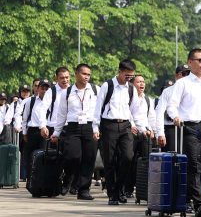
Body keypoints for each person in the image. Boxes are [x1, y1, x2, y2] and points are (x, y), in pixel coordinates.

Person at [166, 48, 201, 215]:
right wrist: (176, 117)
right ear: (190, 62)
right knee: (194, 166)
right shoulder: (183, 83)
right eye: (199, 60)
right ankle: (199, 203)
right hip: (190, 127)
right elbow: (171, 106)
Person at [93, 59, 149, 205]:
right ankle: (112, 193)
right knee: (109, 160)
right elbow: (98, 108)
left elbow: (136, 111)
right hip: (109, 125)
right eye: (127, 75)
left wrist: (142, 128)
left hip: (125, 126)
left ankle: (120, 189)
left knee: (128, 157)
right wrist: (95, 127)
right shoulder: (108, 85)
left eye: (131, 76)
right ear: (120, 71)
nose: (128, 78)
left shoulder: (131, 89)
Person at [51, 63, 98, 200]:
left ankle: (83, 190)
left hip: (90, 127)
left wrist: (97, 128)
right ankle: (69, 176)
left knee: (89, 159)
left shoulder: (95, 90)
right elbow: (61, 114)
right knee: (73, 156)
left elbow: (99, 110)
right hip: (73, 127)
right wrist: (56, 133)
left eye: (89, 74)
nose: (86, 77)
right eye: (84, 74)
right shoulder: (68, 92)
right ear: (76, 74)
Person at [123, 74, 155, 199]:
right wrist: (131, 125)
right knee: (129, 160)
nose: (142, 84)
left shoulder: (148, 99)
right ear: (132, 84)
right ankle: (127, 189)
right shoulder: (128, 98)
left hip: (145, 134)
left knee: (146, 162)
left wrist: (152, 130)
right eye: (138, 82)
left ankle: (144, 191)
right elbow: (127, 113)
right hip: (132, 132)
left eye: (143, 82)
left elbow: (151, 117)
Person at [22, 78, 53, 180]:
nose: (44, 91)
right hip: (32, 131)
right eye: (42, 88)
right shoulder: (30, 101)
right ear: (37, 89)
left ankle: (42, 178)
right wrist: (25, 133)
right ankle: (30, 179)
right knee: (29, 156)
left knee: (43, 155)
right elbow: (25, 118)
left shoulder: (52, 102)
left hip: (46, 131)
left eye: (46, 89)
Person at [156, 65, 189, 152]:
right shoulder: (167, 91)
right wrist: (160, 133)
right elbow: (159, 112)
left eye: (189, 74)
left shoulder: (192, 89)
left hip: (188, 128)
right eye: (184, 74)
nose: (187, 76)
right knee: (171, 159)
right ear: (177, 75)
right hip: (171, 128)